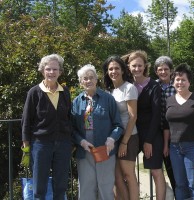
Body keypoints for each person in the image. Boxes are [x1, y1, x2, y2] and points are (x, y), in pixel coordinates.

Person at [21, 54, 73, 199]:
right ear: (43, 70)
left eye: (55, 69)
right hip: (40, 144)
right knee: (39, 185)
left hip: (63, 143)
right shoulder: (34, 92)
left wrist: (70, 141)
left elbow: (69, 117)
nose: (51, 72)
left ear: (60, 72)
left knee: (61, 184)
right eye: (48, 69)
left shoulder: (65, 92)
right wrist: (26, 143)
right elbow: (26, 119)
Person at [71, 64, 123, 199]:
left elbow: (118, 125)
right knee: (86, 188)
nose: (88, 81)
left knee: (105, 187)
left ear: (96, 79)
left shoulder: (108, 99)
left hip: (105, 150)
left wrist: (112, 138)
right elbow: (71, 128)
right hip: (85, 152)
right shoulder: (76, 102)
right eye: (85, 78)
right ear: (81, 82)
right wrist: (81, 141)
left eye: (91, 77)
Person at [122, 50, 166, 200]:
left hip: (151, 135)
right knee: (127, 172)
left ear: (145, 66)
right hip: (133, 134)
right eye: (134, 66)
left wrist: (148, 141)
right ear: (128, 67)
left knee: (155, 171)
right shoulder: (127, 86)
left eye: (140, 65)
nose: (137, 69)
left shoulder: (154, 86)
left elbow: (156, 116)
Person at [164, 63, 194, 199]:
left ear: (189, 82)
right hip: (174, 148)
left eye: (183, 79)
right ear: (173, 82)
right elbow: (165, 125)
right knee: (180, 184)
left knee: (193, 183)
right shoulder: (169, 100)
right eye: (177, 80)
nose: (180, 82)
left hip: (193, 147)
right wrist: (166, 145)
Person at [102, 56, 139, 200]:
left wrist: (124, 142)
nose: (113, 71)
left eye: (117, 68)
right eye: (110, 69)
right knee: (116, 178)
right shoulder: (109, 91)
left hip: (128, 137)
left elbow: (133, 117)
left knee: (129, 175)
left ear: (123, 70)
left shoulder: (129, 88)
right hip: (114, 138)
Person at [154, 56, 176, 194]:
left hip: (174, 132)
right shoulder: (153, 86)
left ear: (171, 70)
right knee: (161, 169)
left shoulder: (177, 85)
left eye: (166, 69)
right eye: (160, 69)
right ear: (156, 71)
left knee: (176, 170)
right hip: (157, 132)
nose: (163, 72)